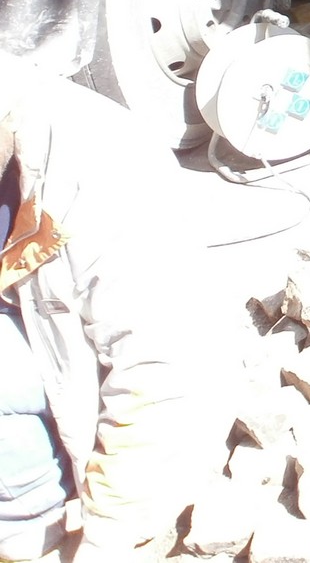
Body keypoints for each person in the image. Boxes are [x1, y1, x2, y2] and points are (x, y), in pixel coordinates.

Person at [1, 55, 224, 562]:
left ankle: (30, 532)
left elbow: (162, 378)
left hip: (68, 407)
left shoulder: (102, 167)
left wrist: (104, 542)